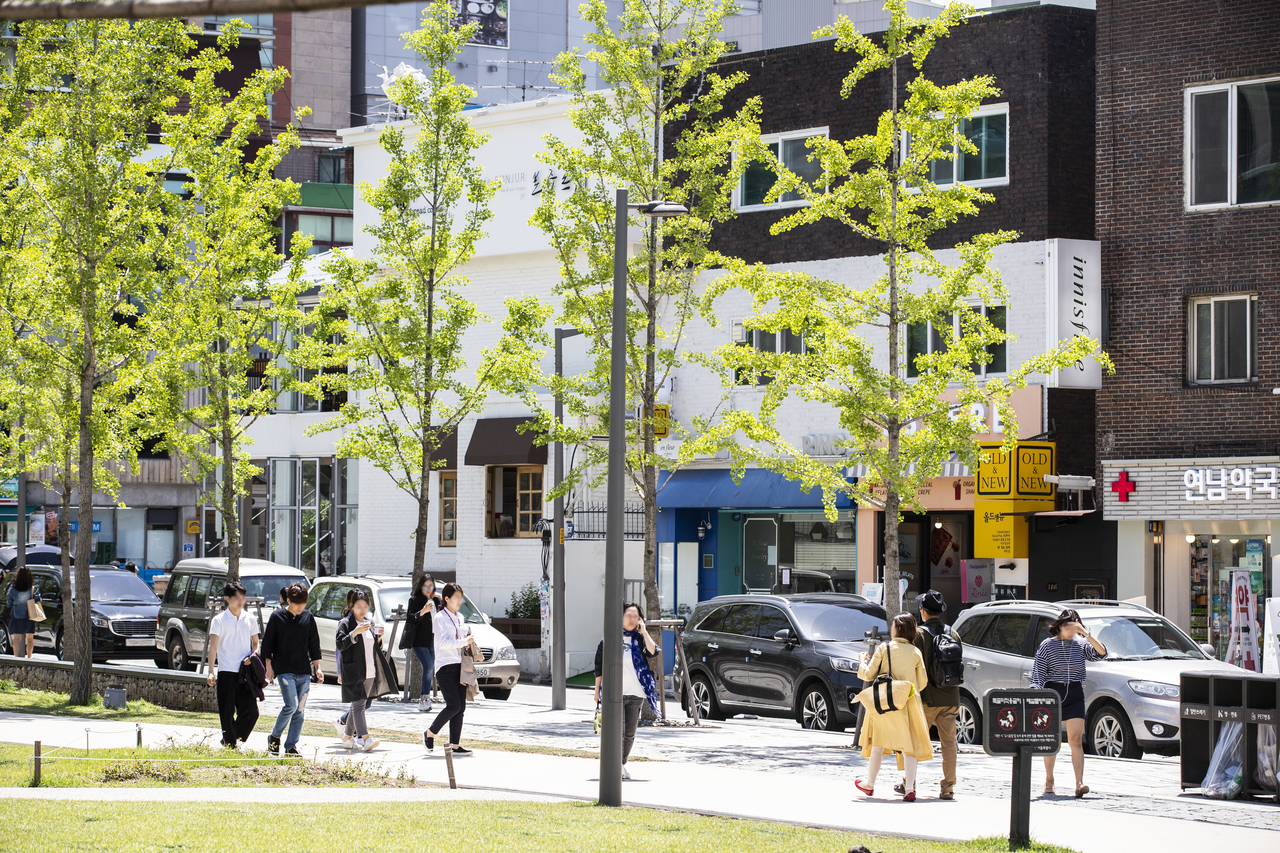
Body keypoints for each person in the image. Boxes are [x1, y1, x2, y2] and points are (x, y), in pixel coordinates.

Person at [854, 613, 934, 802]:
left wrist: (862, 661)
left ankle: (870, 784)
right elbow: (922, 683)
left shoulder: (884, 648)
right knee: (909, 748)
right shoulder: (915, 652)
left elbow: (868, 675)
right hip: (908, 702)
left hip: (885, 702)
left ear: (897, 629)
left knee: (878, 745)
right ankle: (909, 789)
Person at [1029, 608, 1107, 798]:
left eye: (1075, 627)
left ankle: (1079, 783)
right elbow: (1038, 673)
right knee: (1052, 740)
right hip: (1052, 693)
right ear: (1061, 626)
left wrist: (1085, 633)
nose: (1071, 632)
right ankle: (1049, 780)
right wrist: (1036, 694)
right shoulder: (1048, 645)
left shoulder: (1081, 644)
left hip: (1074, 693)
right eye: (1068, 627)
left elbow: (1102, 653)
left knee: (1075, 740)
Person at [895, 590, 962, 800]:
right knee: (949, 743)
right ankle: (948, 787)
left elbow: (913, 665)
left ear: (923, 611)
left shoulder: (920, 635)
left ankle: (909, 783)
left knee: (913, 741)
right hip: (951, 697)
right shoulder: (953, 633)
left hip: (927, 699)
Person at [593, 602, 660, 780]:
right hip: (614, 693)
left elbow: (653, 653)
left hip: (636, 693)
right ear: (620, 617)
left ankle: (620, 764)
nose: (632, 619)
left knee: (629, 734)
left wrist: (645, 632)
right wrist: (597, 691)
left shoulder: (639, 638)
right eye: (628, 615)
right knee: (618, 732)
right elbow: (599, 667)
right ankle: (614, 766)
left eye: (635, 616)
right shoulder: (610, 639)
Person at [261, 582, 323, 756]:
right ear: (288, 600)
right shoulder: (277, 617)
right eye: (296, 606)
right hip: (284, 669)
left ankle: (291, 746)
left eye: (302, 606)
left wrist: (318, 668)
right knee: (291, 705)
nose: (299, 610)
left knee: (300, 710)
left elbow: (314, 644)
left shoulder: (308, 617)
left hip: (303, 669)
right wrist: (269, 667)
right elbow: (268, 644)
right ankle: (274, 737)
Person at [424, 583, 479, 757]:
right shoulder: (440, 618)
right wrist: (465, 641)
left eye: (460, 598)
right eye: (455, 598)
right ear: (446, 599)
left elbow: (459, 639)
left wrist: (466, 638)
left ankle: (455, 745)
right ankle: (430, 733)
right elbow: (443, 644)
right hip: (445, 666)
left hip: (460, 665)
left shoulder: (460, 617)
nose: (458, 601)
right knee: (453, 705)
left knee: (461, 707)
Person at [206, 582, 261, 749]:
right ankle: (230, 744)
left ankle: (232, 736)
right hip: (226, 671)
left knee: (251, 711)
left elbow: (256, 644)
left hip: (245, 672)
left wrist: (252, 656)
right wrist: (210, 672)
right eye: (236, 598)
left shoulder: (250, 619)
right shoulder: (219, 620)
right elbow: (213, 647)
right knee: (227, 710)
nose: (240, 601)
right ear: (227, 599)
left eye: (242, 597)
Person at [334, 589, 383, 752]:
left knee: (357, 706)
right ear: (351, 606)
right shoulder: (346, 623)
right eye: (358, 606)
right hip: (354, 670)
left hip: (369, 670)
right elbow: (340, 644)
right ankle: (366, 738)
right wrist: (354, 633)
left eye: (365, 606)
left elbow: (373, 648)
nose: (362, 610)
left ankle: (347, 738)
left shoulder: (369, 623)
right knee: (359, 705)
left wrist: (378, 639)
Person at [402, 574, 443, 712]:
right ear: (420, 586)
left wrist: (441, 600)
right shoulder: (415, 600)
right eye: (425, 586)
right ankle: (424, 698)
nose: (428, 589)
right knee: (428, 665)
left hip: (433, 639)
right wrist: (422, 612)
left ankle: (426, 698)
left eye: (430, 586)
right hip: (419, 640)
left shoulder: (436, 600)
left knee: (431, 667)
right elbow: (410, 618)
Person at [6, 566, 40, 659]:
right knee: (29, 639)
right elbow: (37, 600)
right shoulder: (33, 588)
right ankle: (29, 658)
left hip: (17, 616)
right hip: (30, 616)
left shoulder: (13, 589)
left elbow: (9, 603)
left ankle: (17, 658)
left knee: (16, 638)